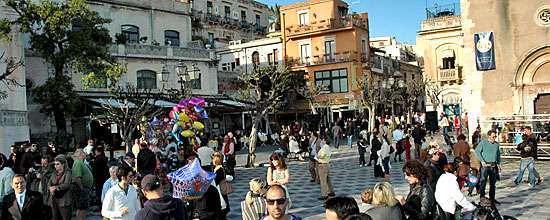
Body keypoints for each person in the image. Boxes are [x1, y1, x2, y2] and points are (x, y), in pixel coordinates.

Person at [474, 129, 502, 204]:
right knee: (483, 182)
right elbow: (477, 151)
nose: (494, 138)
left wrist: (500, 164)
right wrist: (482, 160)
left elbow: (498, 155)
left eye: (495, 137)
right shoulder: (483, 143)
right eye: (493, 137)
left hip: (494, 165)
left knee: (493, 183)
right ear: (489, 136)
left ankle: (492, 198)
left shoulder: (496, 144)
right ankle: (482, 198)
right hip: (486, 165)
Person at [25, 155, 54, 219]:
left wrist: (42, 177)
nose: (43, 165)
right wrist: (30, 173)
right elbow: (28, 181)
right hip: (36, 195)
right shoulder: (38, 170)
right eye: (41, 163)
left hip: (46, 195)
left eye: (45, 163)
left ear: (49, 163)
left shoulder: (52, 172)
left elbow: (51, 182)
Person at [72, 148, 94, 220]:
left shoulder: (80, 162)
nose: (85, 154)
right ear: (81, 153)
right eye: (84, 153)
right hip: (81, 188)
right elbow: (77, 177)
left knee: (82, 207)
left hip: (84, 187)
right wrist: (82, 187)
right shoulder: (78, 162)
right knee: (82, 207)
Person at [48, 155, 72, 220]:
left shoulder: (67, 173)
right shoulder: (54, 173)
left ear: (63, 164)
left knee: (65, 217)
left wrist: (56, 188)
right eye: (55, 164)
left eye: (57, 164)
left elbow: (67, 184)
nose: (56, 166)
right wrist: (50, 188)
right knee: (56, 216)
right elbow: (49, 182)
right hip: (54, 198)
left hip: (64, 199)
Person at [213, 152, 230, 217]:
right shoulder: (219, 168)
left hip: (219, 187)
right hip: (220, 187)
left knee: (222, 201)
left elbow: (218, 179)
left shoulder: (219, 169)